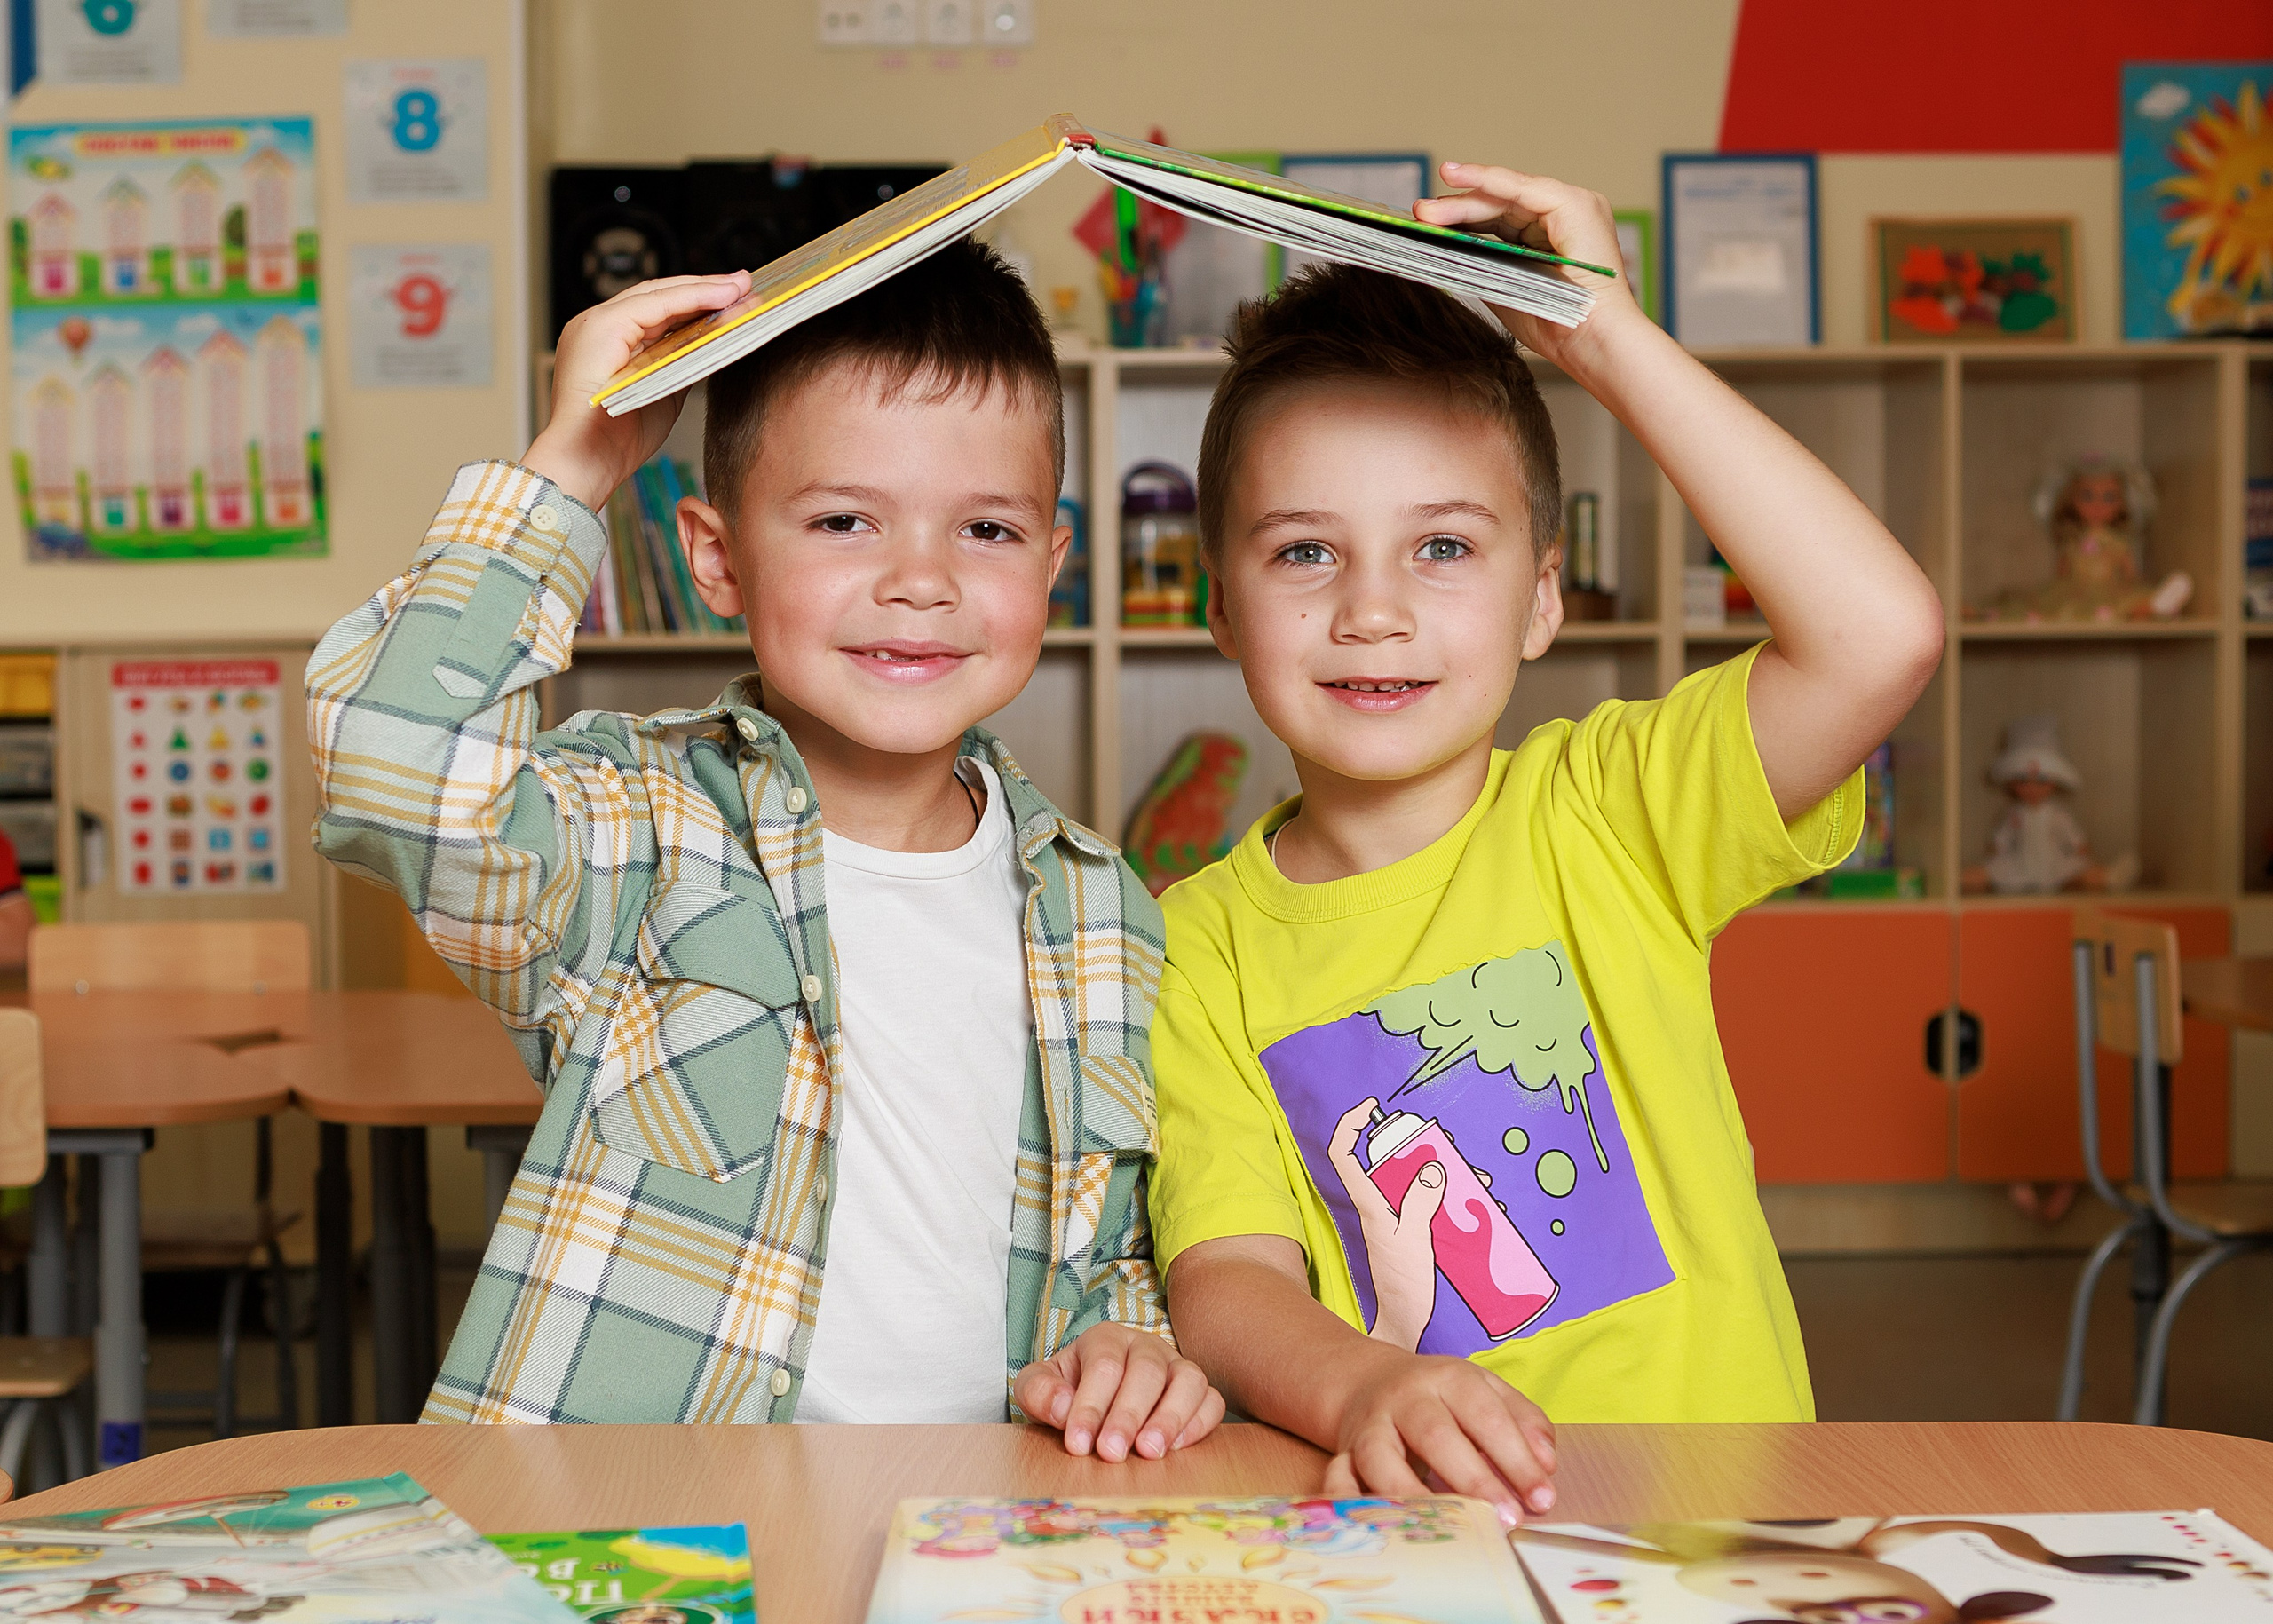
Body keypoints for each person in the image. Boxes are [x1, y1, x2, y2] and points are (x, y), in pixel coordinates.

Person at [307, 240, 1222, 1459]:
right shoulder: (637, 829)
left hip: (991, 1518)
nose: (921, 582)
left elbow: (1110, 1252)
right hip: (666, 1528)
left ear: (1052, 565)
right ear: (717, 557)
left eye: (986, 529)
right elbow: (391, 764)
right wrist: (573, 464)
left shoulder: (1107, 914)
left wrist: (1131, 1344)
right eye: (844, 521)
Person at [1149, 166, 1944, 1524]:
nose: (1375, 611)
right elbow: (1226, 1274)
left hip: (1717, 1523)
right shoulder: (1194, 942)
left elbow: (1882, 634)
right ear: (1219, 607)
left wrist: (1606, 340)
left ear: (1543, 598)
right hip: (1419, 1533)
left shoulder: (1613, 808)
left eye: (1445, 547)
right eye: (1305, 554)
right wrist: (1366, 1387)